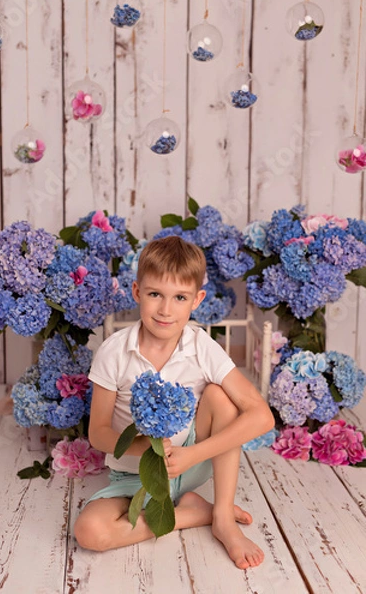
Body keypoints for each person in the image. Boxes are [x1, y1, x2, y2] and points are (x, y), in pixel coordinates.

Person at [74, 236, 275, 569]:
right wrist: (145, 448)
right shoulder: (114, 351)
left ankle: (222, 515)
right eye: (155, 295)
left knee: (218, 396)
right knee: (89, 532)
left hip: (193, 464)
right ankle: (193, 513)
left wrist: (192, 454)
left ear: (196, 300)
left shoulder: (200, 345)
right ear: (137, 292)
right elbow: (97, 433)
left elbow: (262, 417)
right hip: (134, 478)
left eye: (179, 297)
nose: (165, 310)